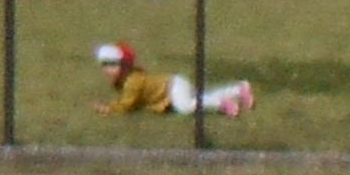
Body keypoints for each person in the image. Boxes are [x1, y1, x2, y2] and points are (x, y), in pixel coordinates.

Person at [90, 36, 252, 121]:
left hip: (172, 87)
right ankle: (238, 90)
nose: (107, 69)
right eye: (105, 65)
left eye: (113, 65)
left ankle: (222, 104)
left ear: (126, 65)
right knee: (201, 98)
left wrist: (109, 109)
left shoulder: (133, 82)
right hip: (174, 83)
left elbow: (127, 104)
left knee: (185, 107)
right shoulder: (127, 78)